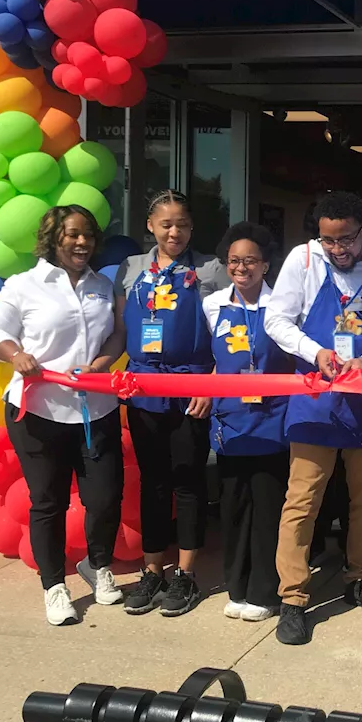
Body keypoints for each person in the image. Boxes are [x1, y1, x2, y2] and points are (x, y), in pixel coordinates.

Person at [264, 191, 362, 645]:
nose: (338, 249)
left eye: (346, 240)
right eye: (329, 241)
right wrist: (315, 350)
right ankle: (294, 597)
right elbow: (277, 321)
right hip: (315, 396)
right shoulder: (302, 261)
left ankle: (361, 578)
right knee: (302, 498)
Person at [0, 206, 126, 626]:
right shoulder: (24, 285)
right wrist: (16, 354)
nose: (82, 243)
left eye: (88, 236)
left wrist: (102, 363)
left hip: (94, 409)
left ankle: (97, 565)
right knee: (48, 502)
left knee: (104, 497)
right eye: (72, 235)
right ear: (53, 238)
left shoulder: (102, 285)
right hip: (38, 410)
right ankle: (53, 585)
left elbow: (117, 333)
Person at [115, 191, 228, 618]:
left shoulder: (211, 271)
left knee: (188, 481)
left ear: (192, 227)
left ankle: (186, 574)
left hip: (191, 387)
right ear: (150, 226)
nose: (174, 232)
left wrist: (210, 386)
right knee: (152, 482)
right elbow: (119, 328)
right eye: (165, 224)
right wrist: (105, 368)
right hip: (144, 390)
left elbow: (226, 336)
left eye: (182, 224)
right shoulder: (130, 270)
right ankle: (152, 570)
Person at [202, 222, 291, 622]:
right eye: (234, 261)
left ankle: (265, 592)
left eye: (250, 260)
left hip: (272, 419)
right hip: (231, 420)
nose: (241, 268)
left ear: (266, 265)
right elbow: (212, 357)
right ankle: (237, 587)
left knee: (268, 508)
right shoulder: (213, 304)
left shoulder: (284, 306)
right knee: (234, 507)